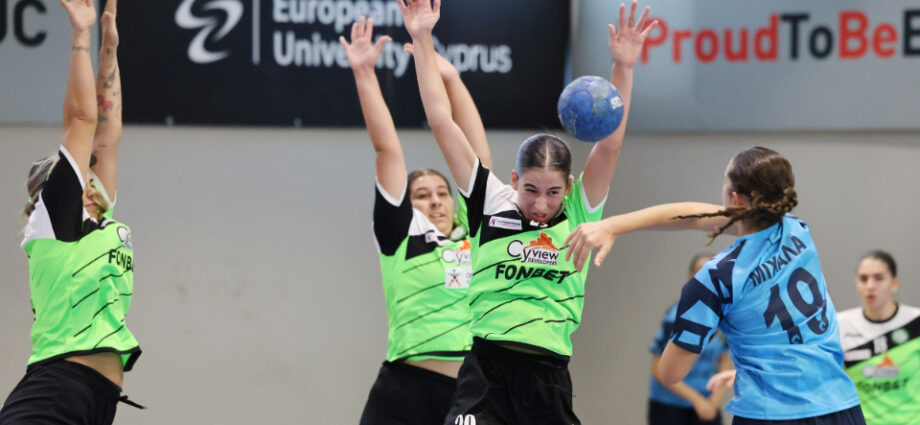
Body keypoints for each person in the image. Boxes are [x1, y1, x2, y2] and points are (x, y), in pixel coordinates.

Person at [399, 0, 656, 423]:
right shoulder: (489, 200)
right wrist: (422, 38)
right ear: (515, 180)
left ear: (568, 187)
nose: (541, 204)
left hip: (547, 376)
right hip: (486, 371)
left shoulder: (580, 211)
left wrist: (623, 68)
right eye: (531, 190)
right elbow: (442, 121)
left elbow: (609, 145)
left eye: (553, 192)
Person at [563, 147, 865, 424]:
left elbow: (669, 372)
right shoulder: (796, 230)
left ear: (735, 198)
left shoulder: (716, 278)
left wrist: (611, 226)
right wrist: (613, 225)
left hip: (771, 415)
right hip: (841, 407)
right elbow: (694, 215)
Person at [339, 17, 493, 425]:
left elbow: (478, 158)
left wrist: (453, 80)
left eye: (442, 192)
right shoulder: (401, 235)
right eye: (422, 195)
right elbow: (387, 150)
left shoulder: (474, 232)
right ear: (407, 206)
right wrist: (364, 74)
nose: (436, 200)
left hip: (469, 392)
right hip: (404, 388)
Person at [0, 0, 143, 423]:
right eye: (81, 176)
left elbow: (107, 133)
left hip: (92, 397)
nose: (90, 179)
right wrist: (81, 35)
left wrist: (109, 48)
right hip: (55, 391)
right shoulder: (56, 219)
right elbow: (82, 120)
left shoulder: (94, 218)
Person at [838, 251, 920, 425]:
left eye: (879, 278)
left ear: (894, 283)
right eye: (863, 279)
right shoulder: (840, 325)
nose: (870, 286)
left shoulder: (916, 321)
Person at [648, 253, 731, 425]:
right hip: (671, 406)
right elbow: (658, 368)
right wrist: (697, 401)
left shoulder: (724, 317)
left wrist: (714, 401)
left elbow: (724, 362)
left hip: (707, 404)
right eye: (701, 273)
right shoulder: (676, 317)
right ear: (690, 278)